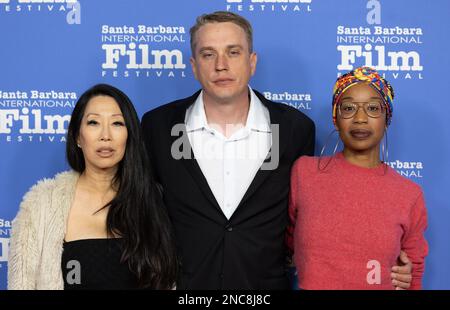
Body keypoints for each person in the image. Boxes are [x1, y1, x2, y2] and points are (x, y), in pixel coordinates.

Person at [142, 12, 410, 289]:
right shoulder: (158, 126)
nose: (221, 65)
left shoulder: (294, 129)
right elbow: (140, 209)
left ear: (252, 62)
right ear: (194, 65)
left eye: (233, 52)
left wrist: (390, 263)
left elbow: (322, 221)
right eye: (208, 54)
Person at [8, 84, 177, 290]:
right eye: (94, 122)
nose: (105, 135)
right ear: (78, 137)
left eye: (116, 123)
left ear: (129, 135)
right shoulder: (42, 204)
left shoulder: (151, 201)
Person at [287, 67, 428, 289]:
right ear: (336, 118)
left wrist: (407, 275)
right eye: (349, 108)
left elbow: (413, 272)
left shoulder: (409, 194)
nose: (360, 118)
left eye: (373, 108)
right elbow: (285, 241)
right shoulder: (304, 173)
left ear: (386, 118)